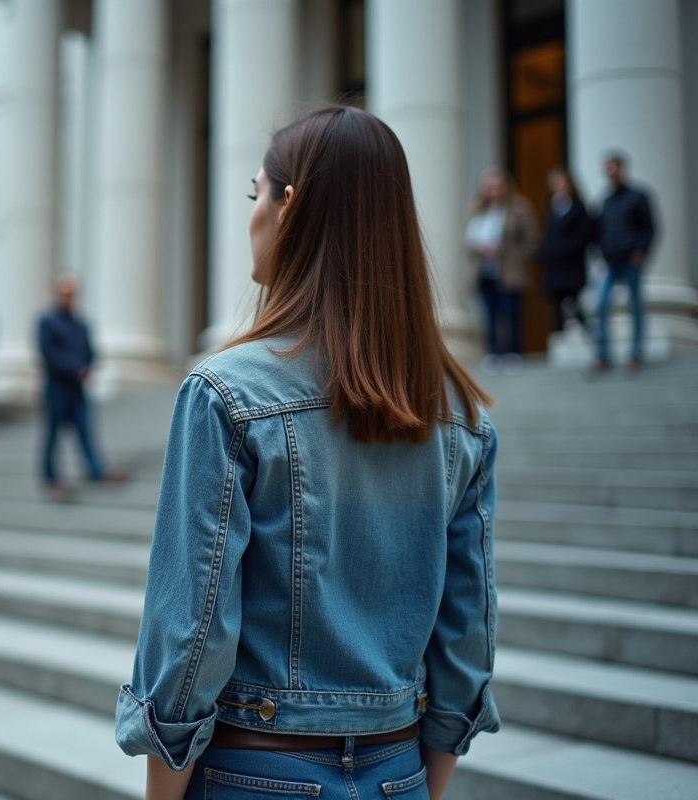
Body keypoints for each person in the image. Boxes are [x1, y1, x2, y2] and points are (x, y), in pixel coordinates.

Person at [115, 106, 499, 800]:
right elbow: (466, 637)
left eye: (255, 192)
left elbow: (189, 639)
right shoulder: (461, 414)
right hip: (399, 773)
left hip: (253, 773)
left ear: (289, 206)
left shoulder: (223, 392)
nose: (251, 214)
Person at [37, 275, 124, 500]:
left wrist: (91, 365)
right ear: (57, 293)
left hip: (77, 388)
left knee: (86, 430)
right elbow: (49, 353)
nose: (68, 297)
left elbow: (88, 350)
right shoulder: (47, 321)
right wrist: (77, 368)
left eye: (72, 293)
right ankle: (51, 480)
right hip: (56, 386)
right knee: (52, 434)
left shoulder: (81, 323)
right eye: (65, 293)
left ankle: (97, 471)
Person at [465, 167, 540, 373]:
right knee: (489, 314)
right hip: (484, 272)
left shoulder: (519, 207)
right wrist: (480, 247)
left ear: (505, 186)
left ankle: (513, 352)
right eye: (490, 186)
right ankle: (493, 353)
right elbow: (467, 242)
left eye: (498, 185)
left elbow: (532, 239)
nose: (494, 190)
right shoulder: (478, 212)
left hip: (510, 271)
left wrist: (515, 256)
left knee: (510, 312)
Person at [592, 152, 655, 371]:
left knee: (635, 306)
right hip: (609, 262)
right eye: (606, 168)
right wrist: (600, 254)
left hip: (631, 260)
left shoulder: (638, 196)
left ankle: (635, 353)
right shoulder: (605, 200)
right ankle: (603, 355)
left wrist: (641, 251)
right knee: (600, 304)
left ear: (622, 168)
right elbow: (599, 231)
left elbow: (650, 227)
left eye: (612, 167)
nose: (609, 172)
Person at [540, 166, 593, 334]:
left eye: (561, 182)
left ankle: (587, 336)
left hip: (572, 268)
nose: (558, 186)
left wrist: (563, 248)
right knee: (557, 308)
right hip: (556, 269)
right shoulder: (550, 210)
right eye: (554, 183)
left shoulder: (578, 209)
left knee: (575, 305)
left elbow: (584, 235)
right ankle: (559, 339)